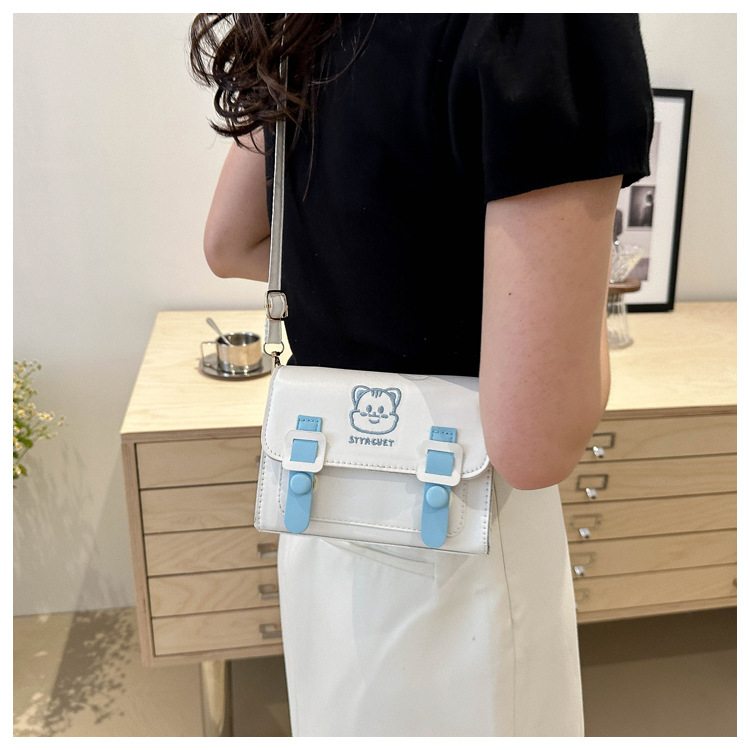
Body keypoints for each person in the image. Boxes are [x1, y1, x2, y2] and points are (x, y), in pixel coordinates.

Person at [190, 13, 653, 736]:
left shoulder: (302, 19)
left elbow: (231, 241)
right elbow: (535, 443)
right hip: (463, 547)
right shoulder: (553, 24)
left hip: (321, 507)